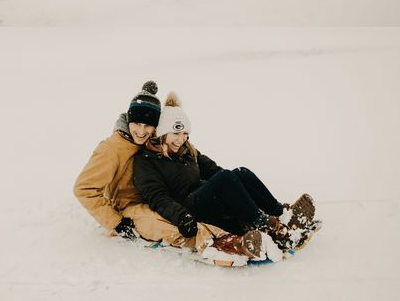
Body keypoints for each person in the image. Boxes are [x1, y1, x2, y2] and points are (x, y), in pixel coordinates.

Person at [73, 81, 260, 255]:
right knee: (166, 225)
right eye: (137, 124)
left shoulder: (154, 139)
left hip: (164, 194)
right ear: (129, 120)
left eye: (148, 125)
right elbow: (84, 189)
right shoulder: (112, 149)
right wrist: (116, 222)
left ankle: (255, 221)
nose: (141, 130)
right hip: (132, 205)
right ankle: (221, 242)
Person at [133, 92, 318, 252]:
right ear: (163, 133)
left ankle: (281, 214)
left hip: (206, 196)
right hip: (189, 209)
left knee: (240, 172)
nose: (181, 139)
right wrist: (182, 216)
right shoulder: (146, 161)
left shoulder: (187, 149)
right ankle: (269, 228)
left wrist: (238, 186)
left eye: (185, 134)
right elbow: (158, 198)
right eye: (176, 134)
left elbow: (214, 170)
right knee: (226, 178)